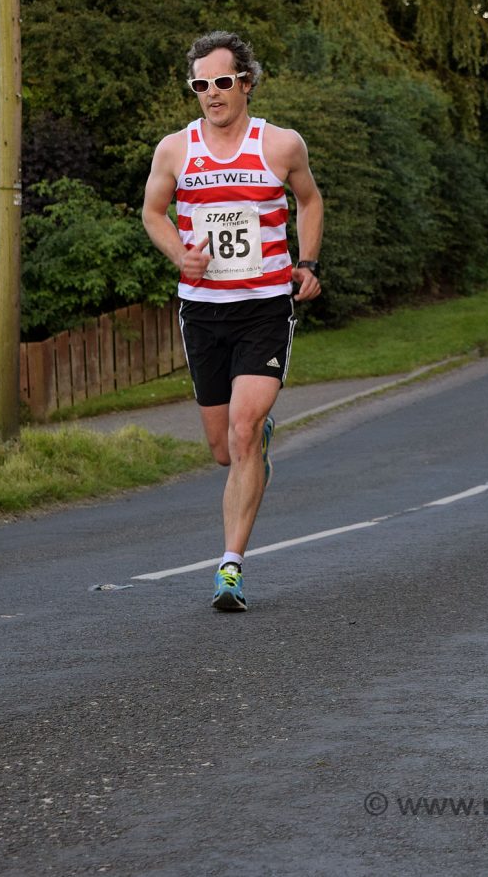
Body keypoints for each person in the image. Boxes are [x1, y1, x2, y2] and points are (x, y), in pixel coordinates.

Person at [142, 31, 324, 610]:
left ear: (245, 80)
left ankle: (230, 568)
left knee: (243, 432)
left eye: (222, 82)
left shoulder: (281, 144)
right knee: (223, 449)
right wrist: (181, 254)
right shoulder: (175, 150)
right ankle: (255, 438)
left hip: (266, 307)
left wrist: (308, 263)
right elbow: (152, 212)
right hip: (202, 311)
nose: (212, 94)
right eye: (201, 85)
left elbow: (309, 201)